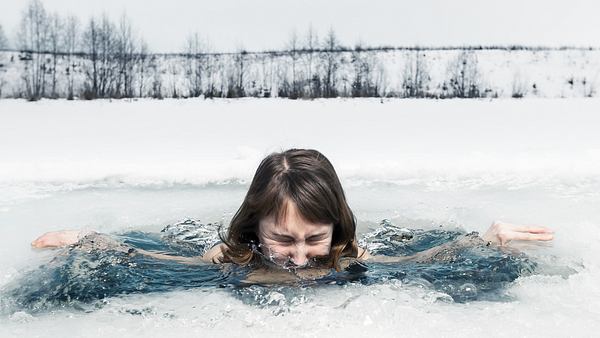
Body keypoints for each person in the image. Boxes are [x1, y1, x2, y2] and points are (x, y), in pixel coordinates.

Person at [31, 148, 554, 275]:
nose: (300, 258)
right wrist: (95, 242)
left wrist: (482, 241)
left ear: (336, 229)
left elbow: (411, 264)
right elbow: (172, 264)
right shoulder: (235, 254)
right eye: (283, 239)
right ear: (256, 225)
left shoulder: (348, 254)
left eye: (313, 239)